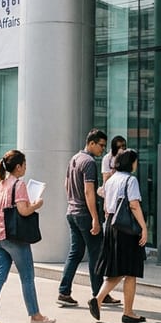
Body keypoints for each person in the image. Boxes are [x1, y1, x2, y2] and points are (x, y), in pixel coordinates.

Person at [0, 149, 56, 323]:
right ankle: (35, 315)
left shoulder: (1, 185)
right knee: (27, 277)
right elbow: (23, 211)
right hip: (15, 238)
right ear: (18, 166)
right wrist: (36, 204)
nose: (25, 168)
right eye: (24, 164)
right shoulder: (19, 185)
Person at [57, 129, 119, 308]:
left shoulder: (75, 158)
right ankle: (99, 294)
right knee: (96, 254)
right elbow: (88, 191)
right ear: (91, 143)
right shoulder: (89, 162)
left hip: (72, 212)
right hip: (85, 214)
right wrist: (94, 218)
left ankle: (64, 291)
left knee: (75, 253)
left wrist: (72, 202)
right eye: (100, 145)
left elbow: (66, 183)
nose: (102, 149)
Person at [90, 149, 148, 323]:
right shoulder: (131, 180)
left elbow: (107, 207)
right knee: (130, 271)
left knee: (119, 269)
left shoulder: (111, 180)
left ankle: (98, 300)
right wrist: (144, 228)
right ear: (130, 163)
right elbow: (134, 205)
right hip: (128, 231)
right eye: (135, 161)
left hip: (112, 228)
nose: (136, 164)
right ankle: (127, 312)